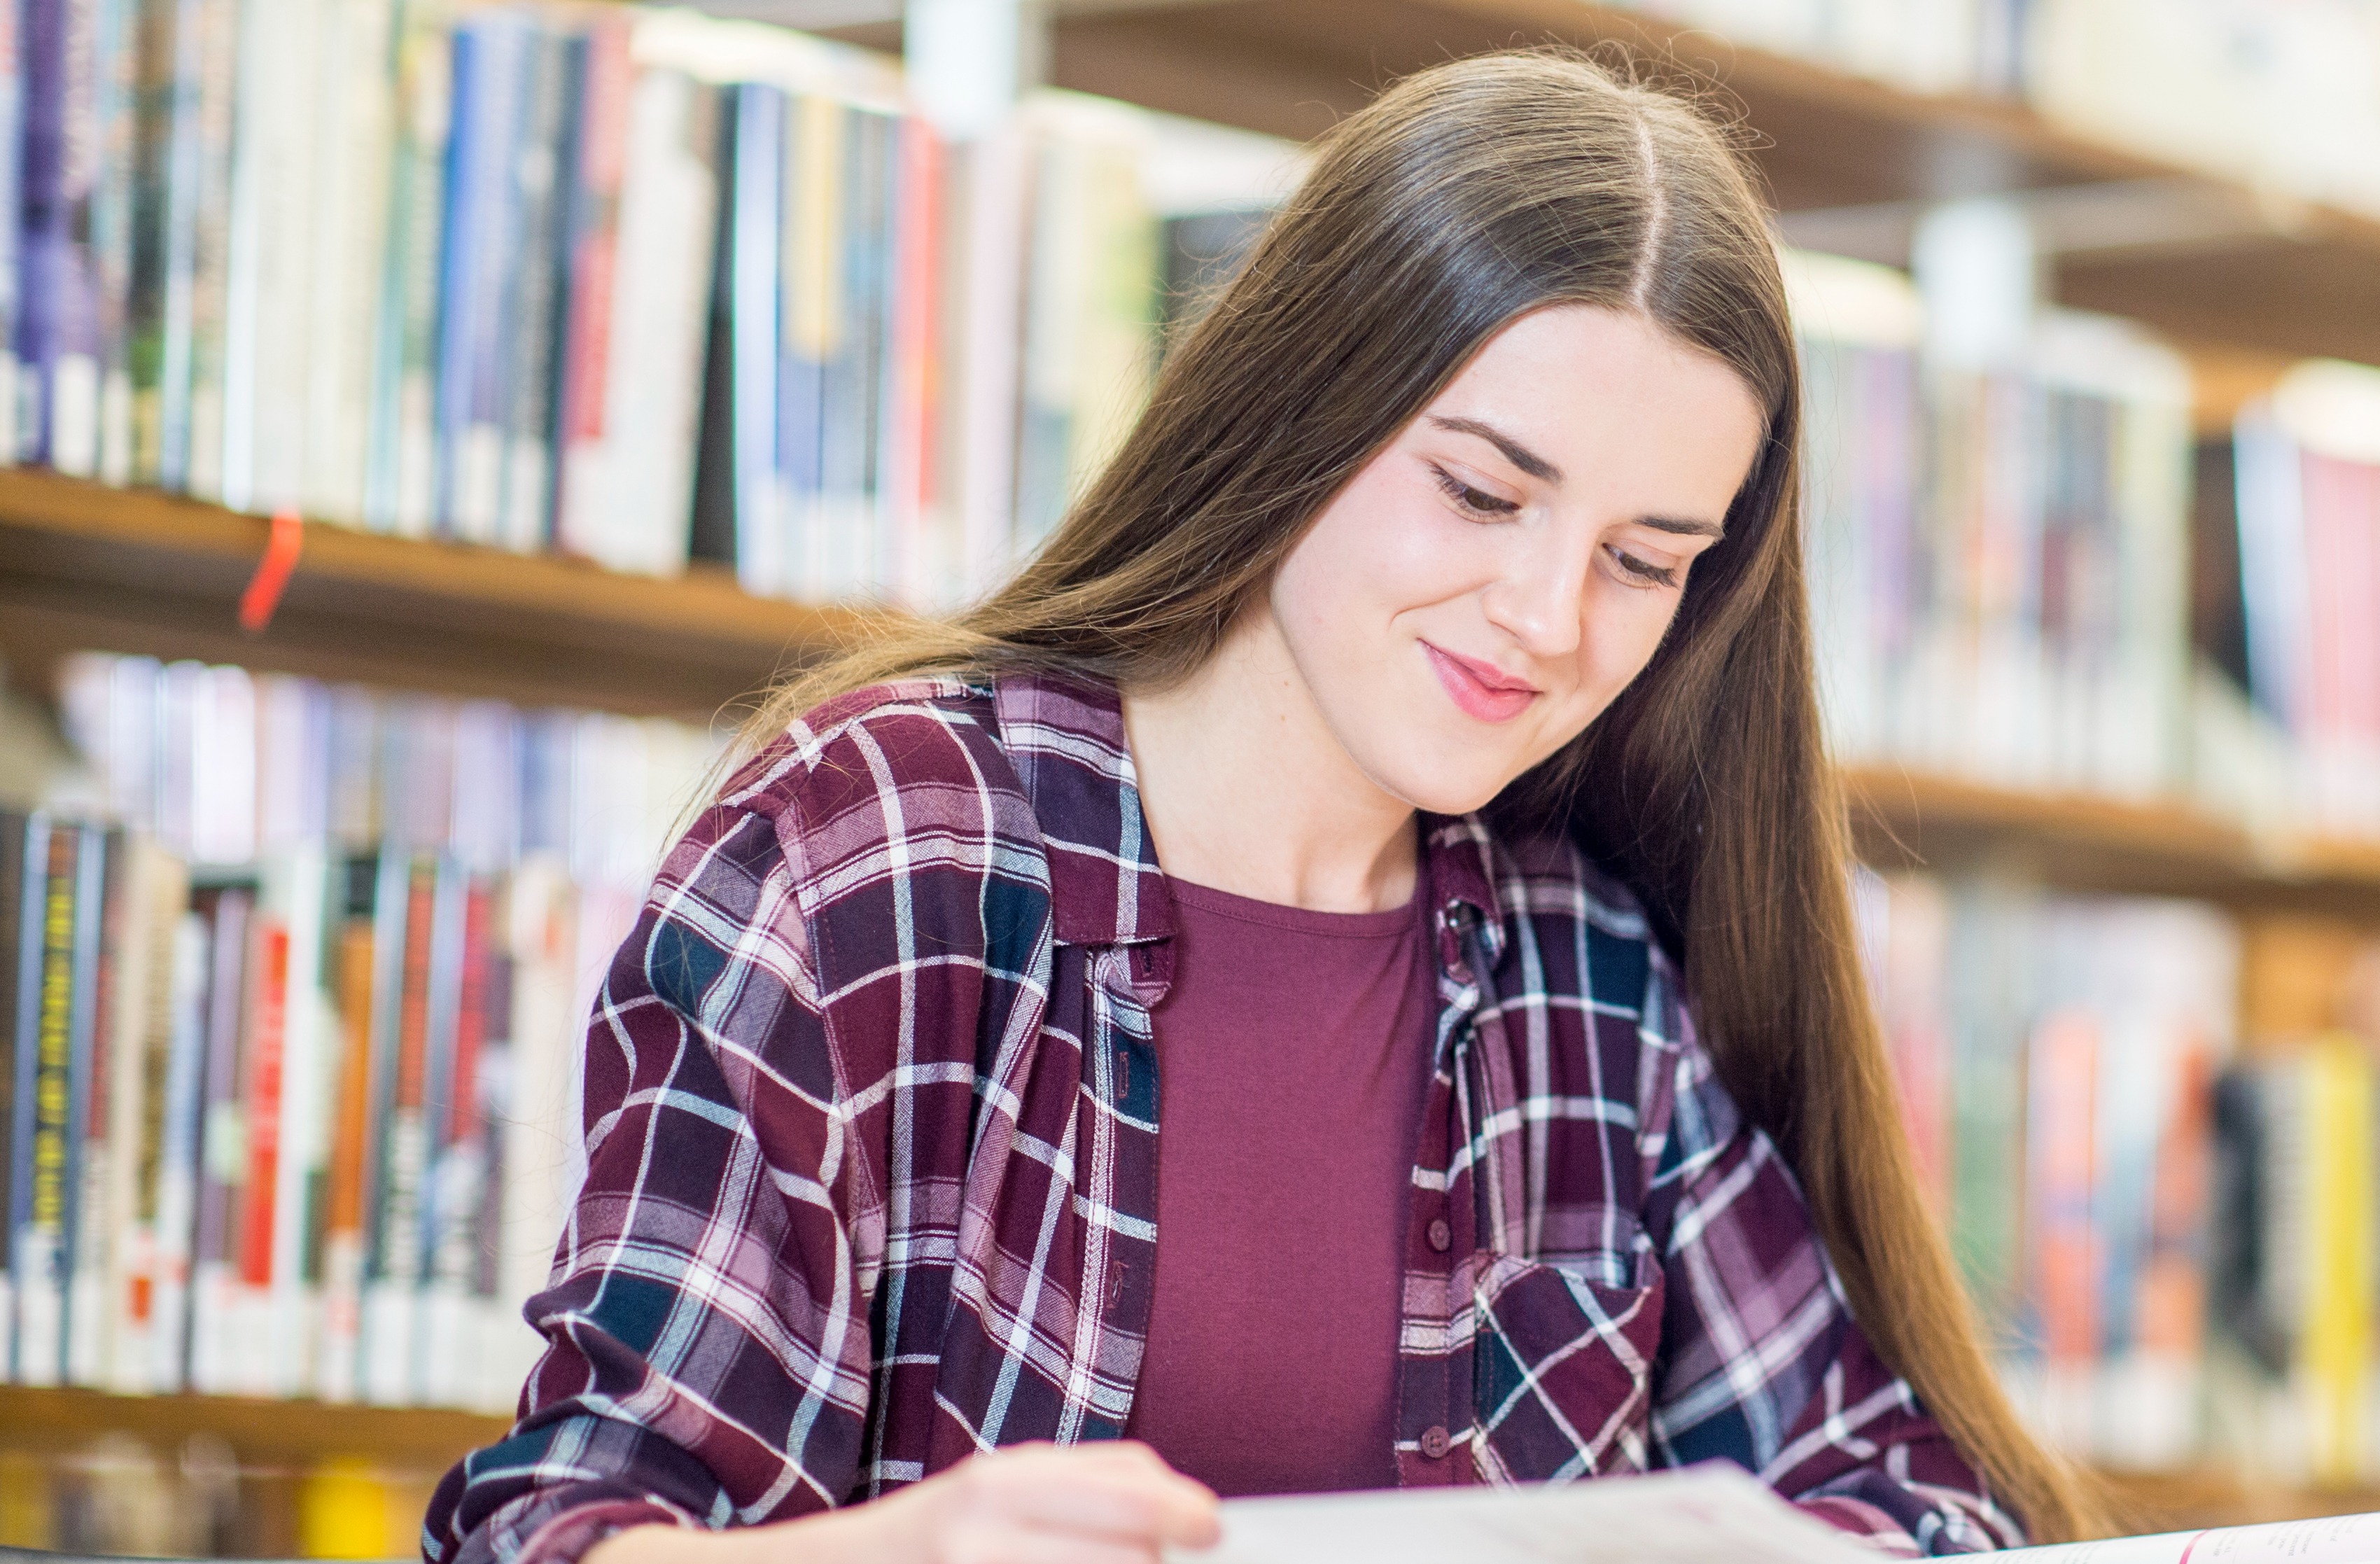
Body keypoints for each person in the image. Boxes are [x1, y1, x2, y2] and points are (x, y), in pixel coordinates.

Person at [425, 49, 2093, 1564]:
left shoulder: (1581, 979)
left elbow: (1908, 1499)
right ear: (1305, 403)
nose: (1549, 616)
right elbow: (555, 1532)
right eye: (1479, 491)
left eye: (1644, 560)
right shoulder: (872, 848)